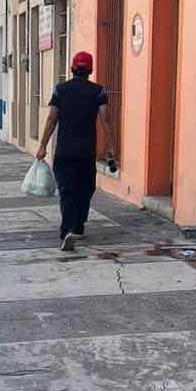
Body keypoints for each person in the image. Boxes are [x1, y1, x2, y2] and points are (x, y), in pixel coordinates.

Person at [36, 51, 116, 251]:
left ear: (72, 68)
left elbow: (51, 119)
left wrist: (43, 146)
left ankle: (67, 231)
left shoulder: (60, 90)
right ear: (90, 70)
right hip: (86, 153)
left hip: (64, 152)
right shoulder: (98, 91)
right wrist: (111, 146)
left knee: (67, 191)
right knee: (85, 189)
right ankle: (77, 226)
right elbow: (106, 120)